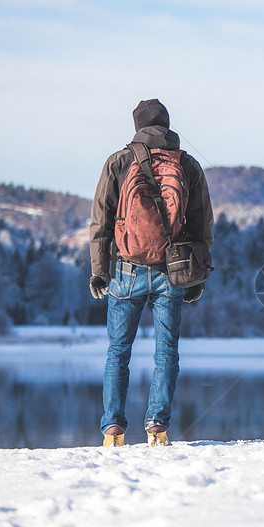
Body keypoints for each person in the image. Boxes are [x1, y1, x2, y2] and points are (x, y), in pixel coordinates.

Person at [89, 99, 214, 447]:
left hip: (125, 271)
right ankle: (157, 427)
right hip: (170, 272)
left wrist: (100, 270)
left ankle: (113, 431)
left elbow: (101, 220)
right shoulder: (187, 164)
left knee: (118, 352)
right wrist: (196, 275)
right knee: (166, 352)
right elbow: (202, 224)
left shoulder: (118, 161)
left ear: (136, 126)